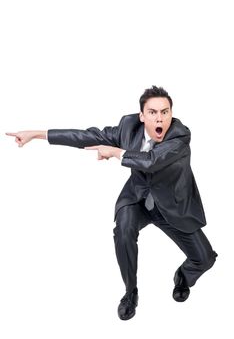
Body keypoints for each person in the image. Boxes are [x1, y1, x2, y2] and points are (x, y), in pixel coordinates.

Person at [6, 85, 217, 321]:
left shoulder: (180, 135)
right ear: (142, 116)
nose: (160, 118)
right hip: (137, 199)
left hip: (173, 206)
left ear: (171, 113)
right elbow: (86, 136)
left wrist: (116, 152)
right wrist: (36, 134)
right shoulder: (129, 128)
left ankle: (183, 278)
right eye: (153, 112)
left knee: (205, 258)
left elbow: (151, 161)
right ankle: (130, 293)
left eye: (165, 112)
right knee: (123, 231)